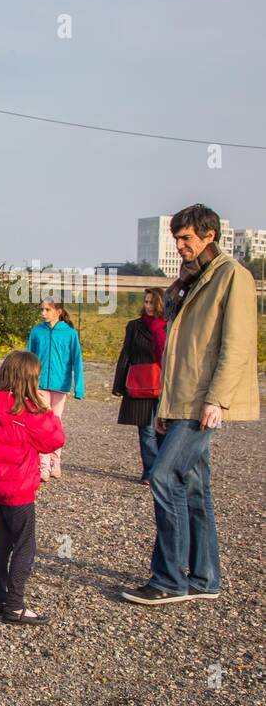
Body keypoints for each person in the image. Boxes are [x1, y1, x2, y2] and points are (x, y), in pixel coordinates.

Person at [122, 204, 260, 606]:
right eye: (176, 238)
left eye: (186, 239)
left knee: (164, 476)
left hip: (205, 401)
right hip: (180, 400)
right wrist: (165, 406)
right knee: (197, 489)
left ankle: (169, 579)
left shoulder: (232, 276)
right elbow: (179, 349)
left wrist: (217, 398)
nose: (179, 245)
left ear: (209, 235)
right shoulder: (186, 281)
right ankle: (204, 577)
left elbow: (236, 344)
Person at [0, 351, 65, 624]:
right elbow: (54, 440)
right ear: (30, 380)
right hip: (18, 490)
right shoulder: (29, 411)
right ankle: (15, 604)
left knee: (1, 542)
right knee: (24, 545)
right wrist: (46, 408)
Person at [111, 288, 168, 484]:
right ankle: (150, 472)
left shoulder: (169, 326)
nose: (148, 306)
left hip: (165, 384)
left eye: (152, 302)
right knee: (146, 430)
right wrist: (119, 383)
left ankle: (163, 471)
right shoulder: (134, 326)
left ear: (161, 304)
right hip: (141, 384)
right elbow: (125, 354)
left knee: (164, 429)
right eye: (146, 302)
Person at [25, 298, 84, 479]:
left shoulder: (70, 333)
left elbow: (77, 360)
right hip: (39, 384)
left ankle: (55, 462)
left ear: (58, 311)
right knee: (42, 423)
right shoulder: (36, 332)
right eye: (42, 309)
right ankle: (43, 466)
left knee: (55, 424)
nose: (43, 313)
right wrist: (26, 382)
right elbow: (28, 359)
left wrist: (79, 387)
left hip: (60, 385)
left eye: (47, 310)